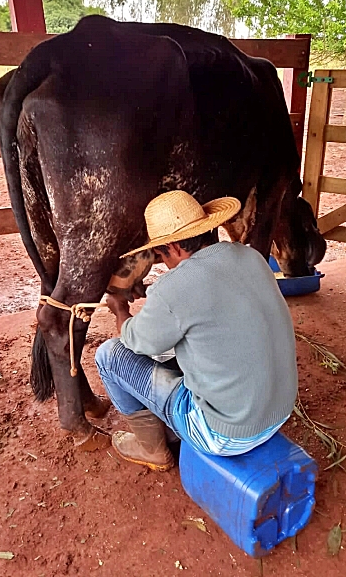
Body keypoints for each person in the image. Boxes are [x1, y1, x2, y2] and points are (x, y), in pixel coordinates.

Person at [95, 190, 297, 472]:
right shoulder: (249, 255)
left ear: (174, 247)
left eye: (160, 254)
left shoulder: (174, 288)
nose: (162, 263)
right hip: (280, 411)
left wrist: (120, 310)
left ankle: (151, 448)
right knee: (183, 347)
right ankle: (170, 426)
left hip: (226, 435)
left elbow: (135, 341)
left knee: (109, 355)